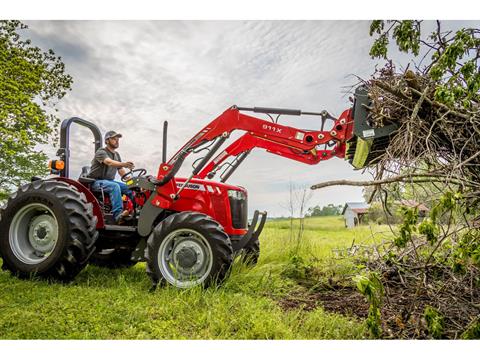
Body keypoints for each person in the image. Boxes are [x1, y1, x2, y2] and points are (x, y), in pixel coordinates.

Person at [87, 130, 135, 224]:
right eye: (114, 139)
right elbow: (109, 162)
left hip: (109, 181)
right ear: (107, 140)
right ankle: (118, 216)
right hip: (96, 182)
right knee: (114, 186)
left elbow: (121, 171)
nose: (117, 141)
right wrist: (124, 164)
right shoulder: (101, 152)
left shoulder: (117, 155)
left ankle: (136, 212)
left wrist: (131, 181)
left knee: (131, 188)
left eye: (118, 139)